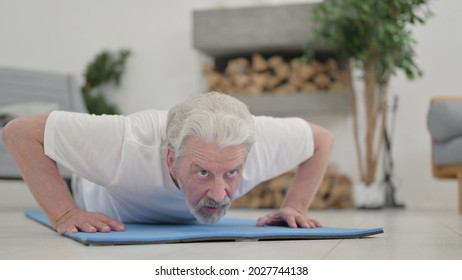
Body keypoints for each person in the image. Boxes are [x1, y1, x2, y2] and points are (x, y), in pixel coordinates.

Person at [2, 91, 333, 234]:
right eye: (203, 172)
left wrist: (296, 207)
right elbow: (19, 133)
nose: (220, 195)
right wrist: (66, 213)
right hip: (95, 190)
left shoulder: (257, 140)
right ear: (171, 160)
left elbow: (322, 140)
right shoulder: (125, 141)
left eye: (231, 173)